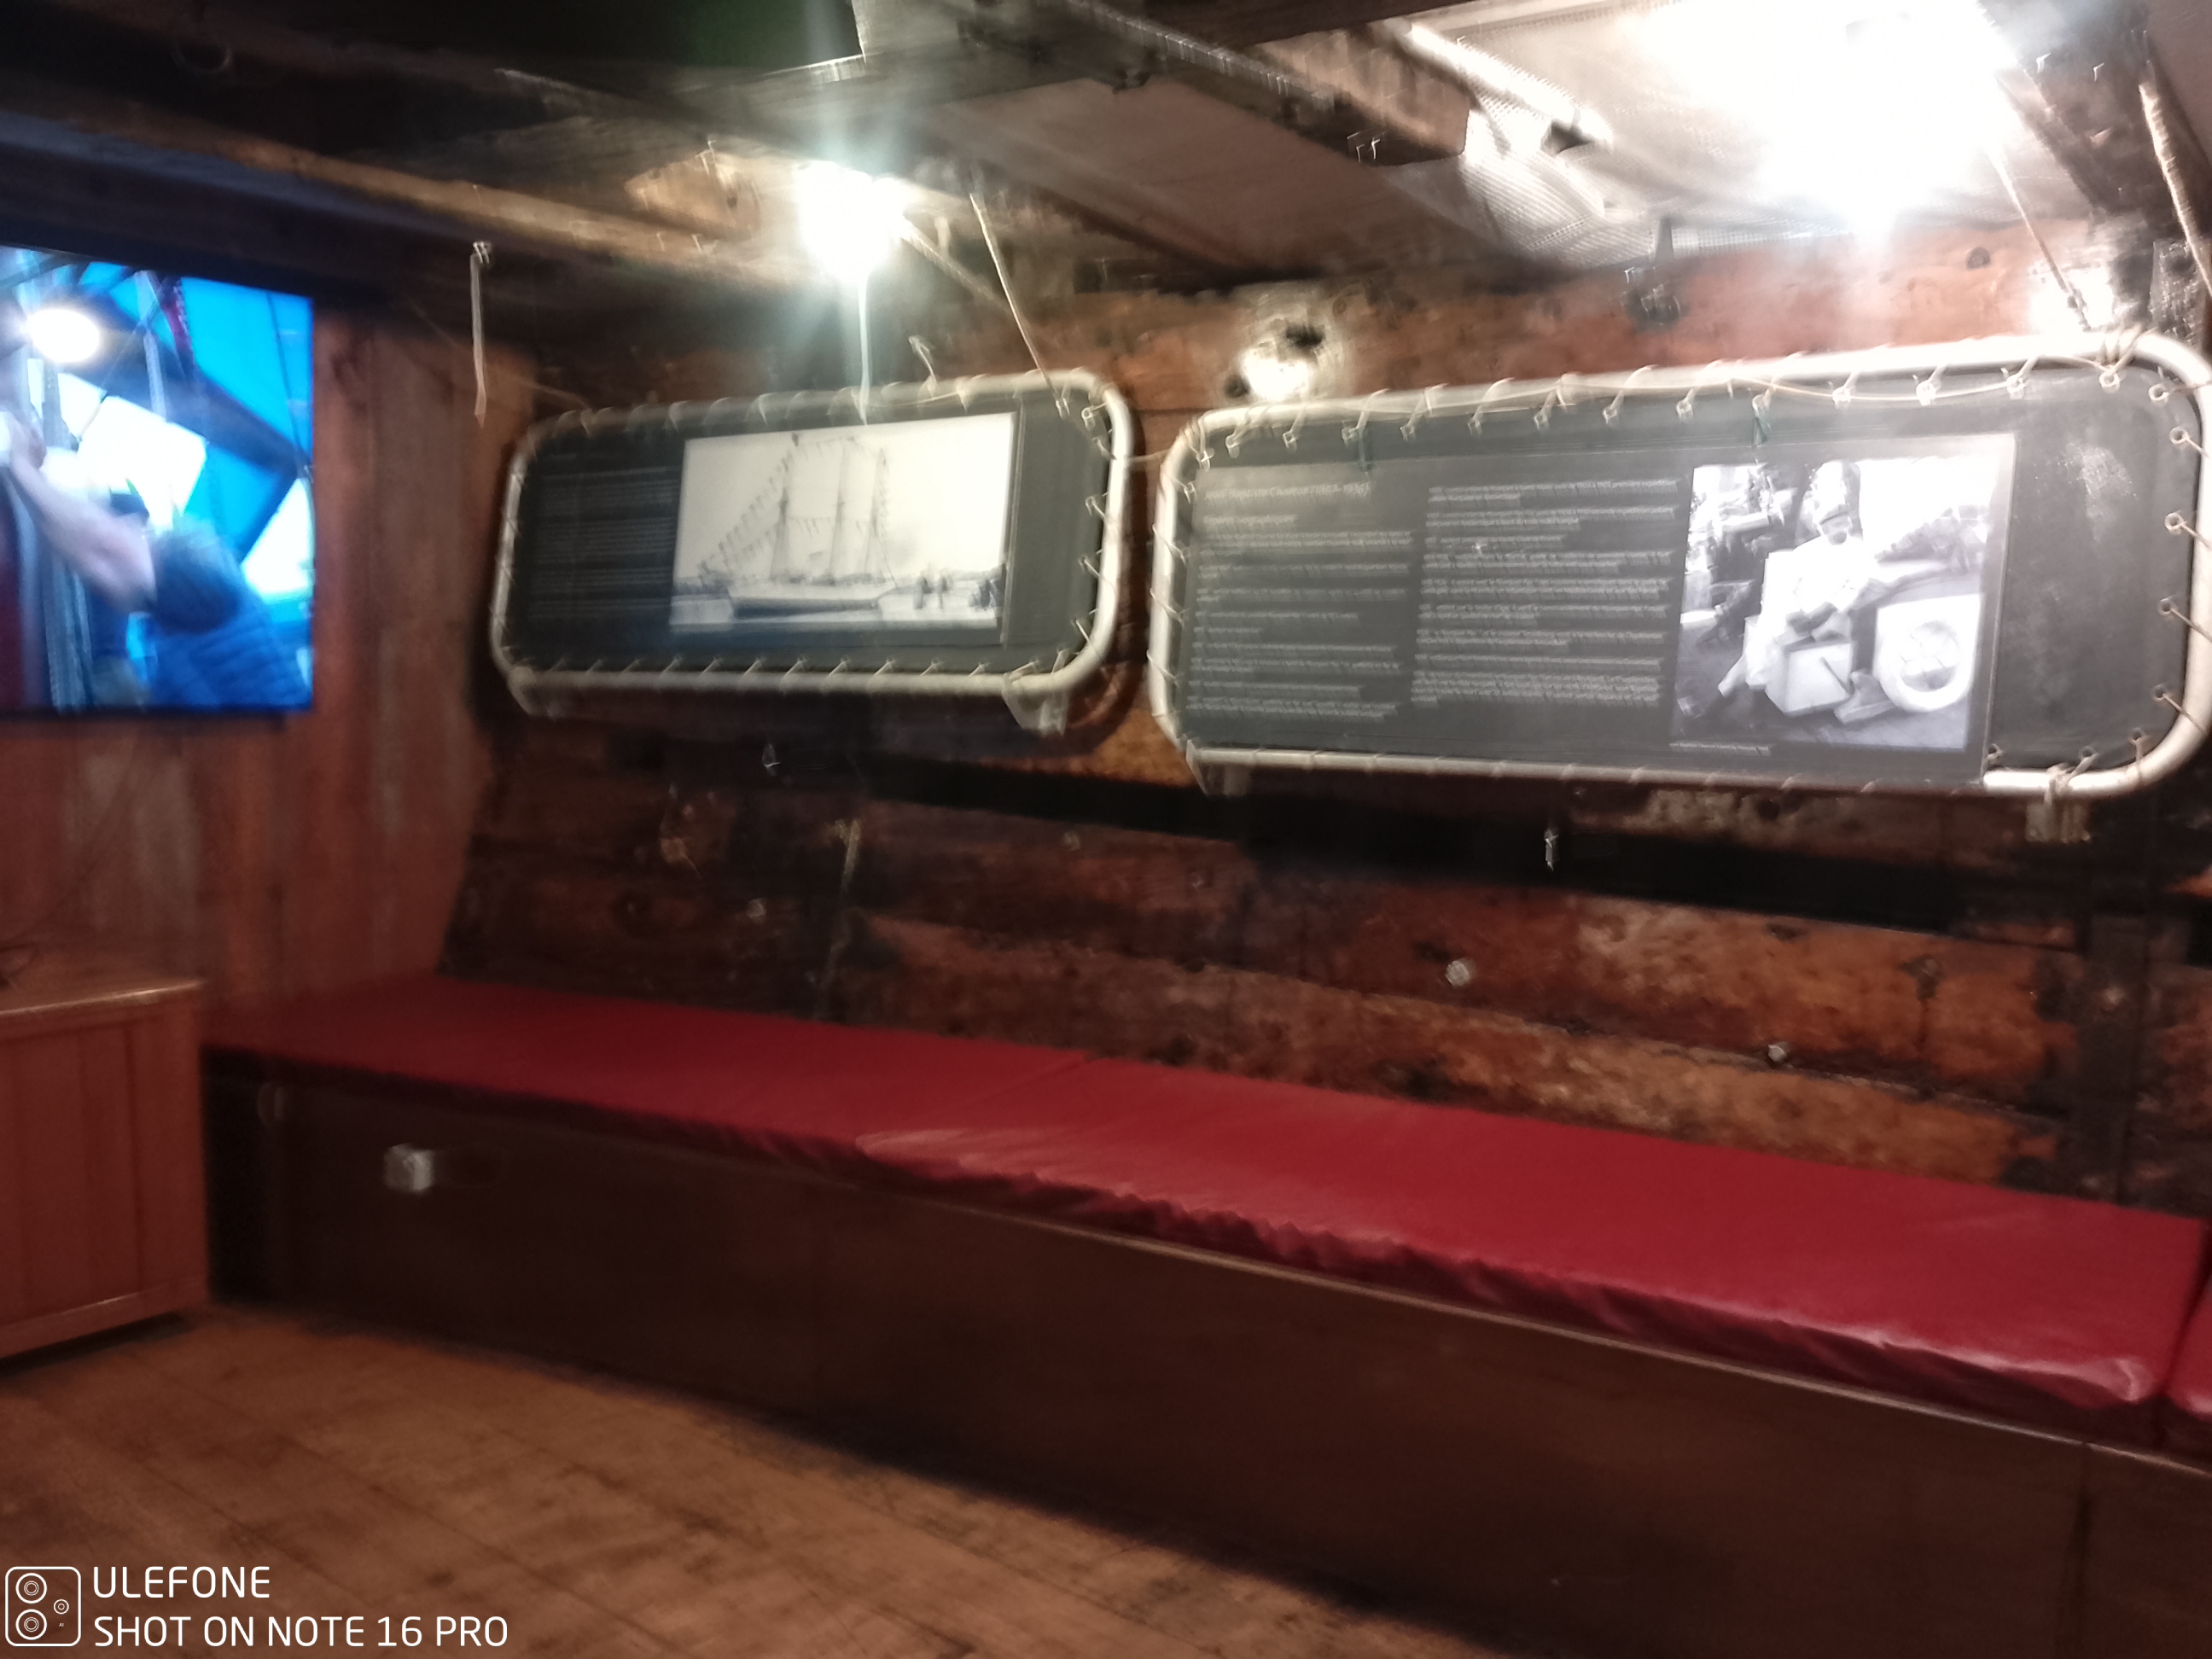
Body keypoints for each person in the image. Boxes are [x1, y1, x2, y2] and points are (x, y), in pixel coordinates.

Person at [3, 410, 306, 709]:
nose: (95, 577)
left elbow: (101, 544)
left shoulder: (199, 585)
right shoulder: (189, 619)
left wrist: (22, 468)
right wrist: (30, 475)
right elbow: (95, 546)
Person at [1685, 461, 1875, 721]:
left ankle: (1736, 699)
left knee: (1761, 644)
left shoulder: (1859, 552)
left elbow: (1855, 586)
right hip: (1798, 615)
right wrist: (1795, 614)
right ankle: (1743, 699)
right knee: (1765, 637)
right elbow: (1785, 588)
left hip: (1832, 618)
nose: (1842, 529)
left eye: (1845, 523)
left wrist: (1826, 610)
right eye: (1835, 525)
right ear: (1822, 528)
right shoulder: (1806, 552)